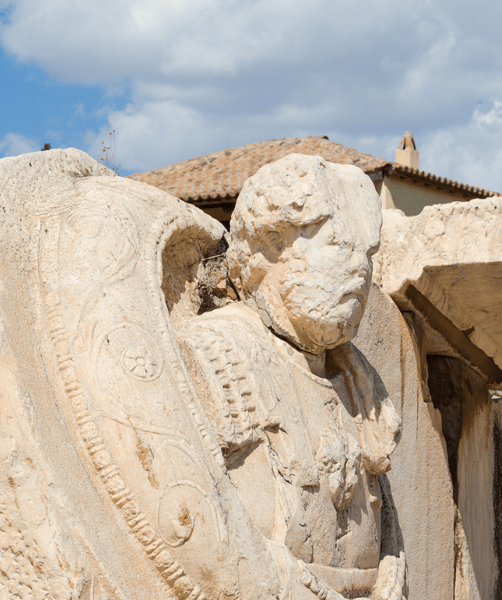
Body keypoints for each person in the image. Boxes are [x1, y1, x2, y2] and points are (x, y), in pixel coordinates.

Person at [176, 154, 404, 600]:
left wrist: (391, 573)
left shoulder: (359, 379)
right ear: (272, 246)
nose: (360, 269)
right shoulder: (214, 356)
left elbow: (386, 517)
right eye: (340, 247)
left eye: (368, 254)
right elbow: (194, 524)